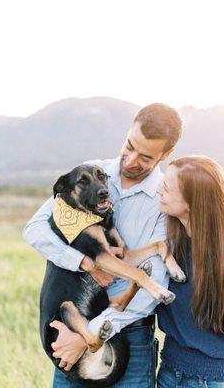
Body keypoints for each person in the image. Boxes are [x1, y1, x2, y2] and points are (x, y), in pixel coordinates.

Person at [23, 103, 183, 387]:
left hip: (129, 338)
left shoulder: (164, 199)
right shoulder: (87, 175)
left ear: (166, 155)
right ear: (128, 130)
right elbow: (35, 230)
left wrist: (90, 337)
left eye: (145, 157)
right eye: (129, 145)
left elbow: (155, 282)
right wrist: (83, 262)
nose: (131, 161)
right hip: (71, 331)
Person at [156, 156, 224, 388]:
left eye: (167, 187)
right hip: (169, 375)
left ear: (193, 202)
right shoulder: (171, 250)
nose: (158, 190)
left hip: (218, 381)